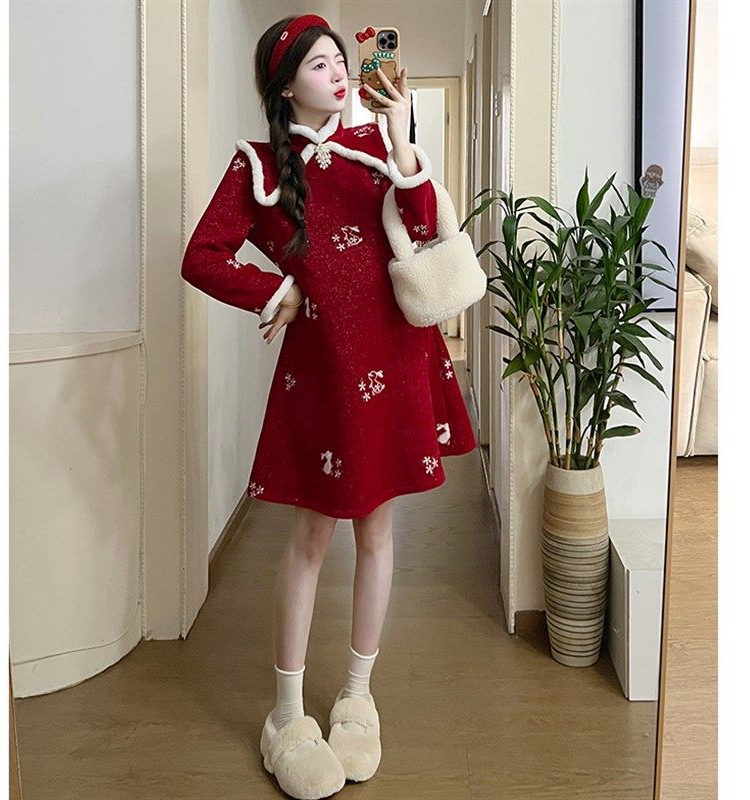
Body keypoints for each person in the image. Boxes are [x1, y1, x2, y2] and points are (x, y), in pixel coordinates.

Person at [180, 14, 477, 800]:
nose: (339, 72)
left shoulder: (377, 145)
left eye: (340, 60)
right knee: (311, 538)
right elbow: (201, 256)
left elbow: (425, 227)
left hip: (394, 361)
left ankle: (357, 697)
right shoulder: (255, 166)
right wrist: (275, 287)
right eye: (319, 64)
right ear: (284, 87)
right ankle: (285, 716)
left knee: (378, 533)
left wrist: (401, 134)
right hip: (321, 375)